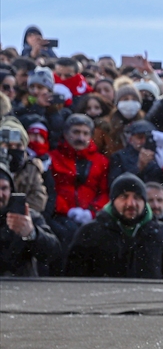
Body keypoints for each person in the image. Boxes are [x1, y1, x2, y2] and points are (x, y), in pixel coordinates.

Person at [65, 174, 163, 279]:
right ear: (113, 200)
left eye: (137, 197)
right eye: (124, 196)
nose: (131, 203)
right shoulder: (90, 232)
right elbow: (74, 279)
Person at [47, 113, 110, 263]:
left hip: (93, 216)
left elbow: (105, 192)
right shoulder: (53, 158)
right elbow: (50, 190)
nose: (80, 138)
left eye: (85, 133)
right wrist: (66, 210)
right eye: (76, 132)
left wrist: (93, 212)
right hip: (60, 216)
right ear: (66, 134)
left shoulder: (101, 161)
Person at [0, 162, 61, 277]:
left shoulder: (27, 217)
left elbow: (53, 252)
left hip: (21, 286)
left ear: (11, 191)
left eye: (4, 188)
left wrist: (32, 233)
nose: (0, 194)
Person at [0, 117, 49, 214]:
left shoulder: (31, 168)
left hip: (21, 217)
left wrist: (13, 210)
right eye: (8, 146)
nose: (13, 150)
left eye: (18, 146)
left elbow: (38, 201)